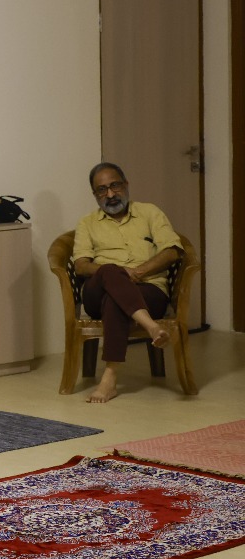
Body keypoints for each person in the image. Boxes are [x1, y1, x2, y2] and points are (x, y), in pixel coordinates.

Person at [72, 161, 180, 404]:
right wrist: (120, 273)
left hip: (149, 289)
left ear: (126, 184)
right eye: (102, 190)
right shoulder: (87, 223)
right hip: (97, 292)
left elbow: (172, 251)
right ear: (94, 194)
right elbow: (81, 265)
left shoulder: (150, 213)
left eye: (115, 186)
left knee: (115, 300)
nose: (110, 194)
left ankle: (109, 378)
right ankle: (151, 327)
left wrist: (139, 272)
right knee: (110, 271)